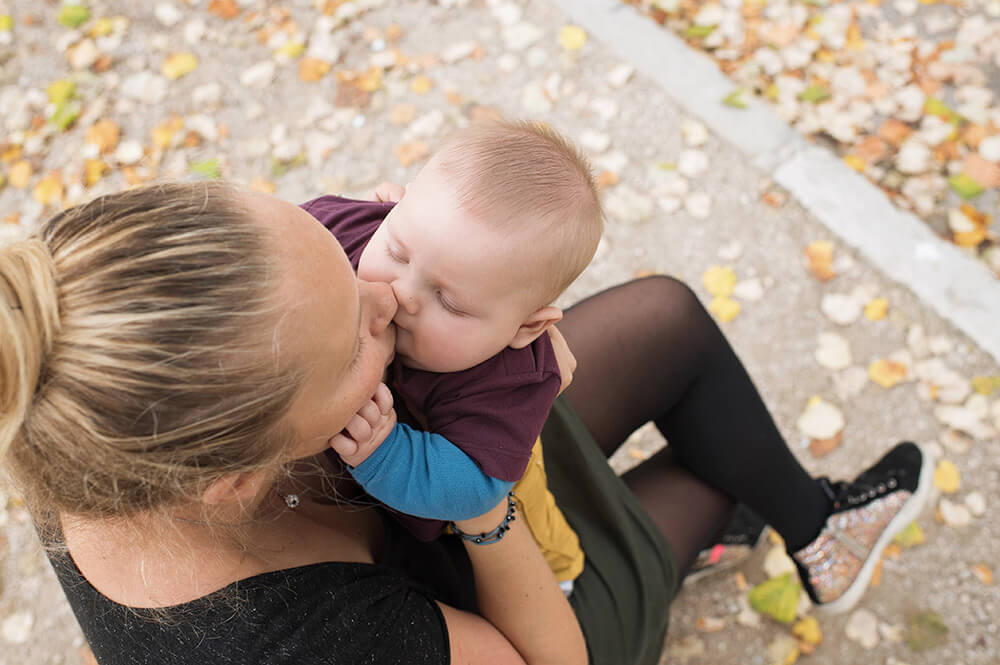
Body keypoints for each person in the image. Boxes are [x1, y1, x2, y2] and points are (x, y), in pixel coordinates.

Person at [0, 180, 933, 665]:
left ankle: (815, 531)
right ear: (242, 472)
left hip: (422, 478)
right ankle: (731, 525)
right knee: (712, 472)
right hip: (511, 596)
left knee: (667, 320)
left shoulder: (84, 389)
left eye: (338, 248)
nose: (379, 291)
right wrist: (488, 505)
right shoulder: (305, 643)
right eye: (354, 332)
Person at [308, 120, 603, 592]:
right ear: (394, 204)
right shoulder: (349, 232)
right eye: (398, 251)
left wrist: (384, 453)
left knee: (537, 518)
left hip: (476, 485)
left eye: (450, 303)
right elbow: (283, 241)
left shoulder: (512, 380)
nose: (403, 294)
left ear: (527, 327)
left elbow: (473, 487)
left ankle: (562, 576)